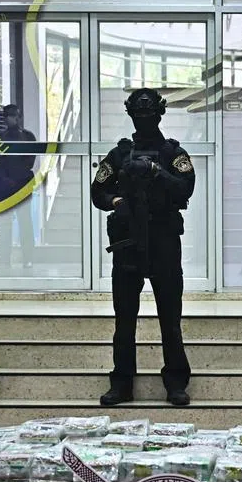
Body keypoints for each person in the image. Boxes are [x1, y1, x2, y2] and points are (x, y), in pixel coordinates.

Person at [92, 88, 194, 407]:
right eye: (138, 115)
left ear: (160, 115)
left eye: (148, 115)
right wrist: (116, 200)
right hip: (127, 244)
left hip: (163, 241)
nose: (143, 120)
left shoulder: (172, 154)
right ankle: (121, 383)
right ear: (131, 116)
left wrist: (155, 173)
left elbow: (185, 189)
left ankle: (176, 383)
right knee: (124, 319)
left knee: (170, 318)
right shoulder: (120, 154)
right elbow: (98, 193)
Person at [0, 104, 38, 268]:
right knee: (5, 222)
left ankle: (28, 258)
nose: (10, 119)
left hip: (22, 183)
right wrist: (5, 179)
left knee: (25, 223)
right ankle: (4, 259)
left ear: (19, 117)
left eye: (13, 116)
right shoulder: (0, 137)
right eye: (8, 115)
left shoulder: (28, 137)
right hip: (5, 185)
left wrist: (15, 179)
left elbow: (30, 161)